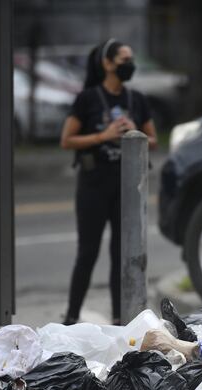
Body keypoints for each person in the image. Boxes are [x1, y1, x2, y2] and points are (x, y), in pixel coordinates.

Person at [60, 39, 157, 325]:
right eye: (124, 60)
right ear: (107, 63)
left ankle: (120, 319)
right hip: (93, 185)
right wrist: (103, 136)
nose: (129, 65)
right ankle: (71, 317)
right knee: (87, 252)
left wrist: (134, 131)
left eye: (131, 59)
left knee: (122, 253)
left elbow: (153, 140)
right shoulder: (88, 99)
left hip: (127, 187)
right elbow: (67, 140)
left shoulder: (137, 99)